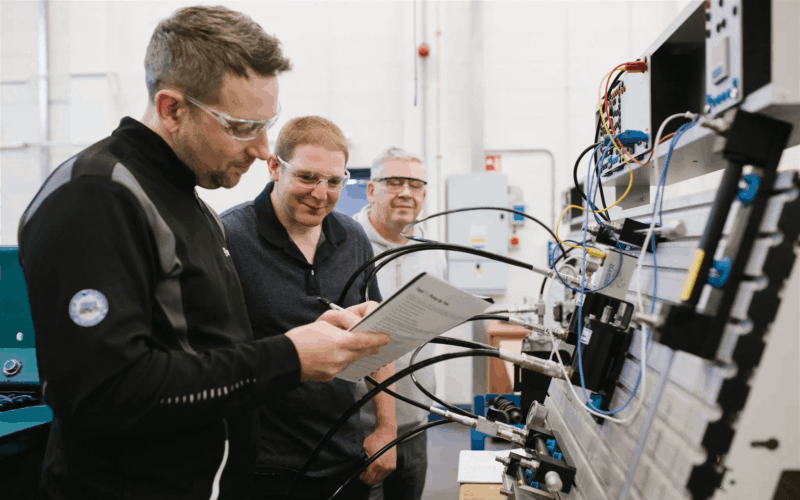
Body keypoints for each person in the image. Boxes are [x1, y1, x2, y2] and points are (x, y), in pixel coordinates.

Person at [16, 7, 388, 500]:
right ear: (172, 109)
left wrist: (307, 339)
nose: (260, 149)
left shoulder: (190, 205)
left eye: (267, 124)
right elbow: (104, 393)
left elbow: (204, 354)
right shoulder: (95, 197)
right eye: (240, 126)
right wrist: (288, 358)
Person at [220, 117, 398, 500]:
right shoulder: (229, 237)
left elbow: (376, 338)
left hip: (342, 456)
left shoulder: (351, 237)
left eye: (334, 182)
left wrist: (387, 427)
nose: (321, 194)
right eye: (307, 177)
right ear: (273, 167)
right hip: (260, 466)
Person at [353, 148, 447, 500]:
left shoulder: (431, 249)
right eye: (394, 183)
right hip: (357, 425)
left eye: (415, 184)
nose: (405, 192)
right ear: (371, 190)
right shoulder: (346, 244)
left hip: (415, 421)